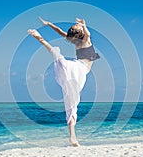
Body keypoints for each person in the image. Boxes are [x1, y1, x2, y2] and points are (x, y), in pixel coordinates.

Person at [28, 17, 100, 146]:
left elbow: (61, 32)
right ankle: (73, 137)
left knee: (71, 103)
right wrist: (84, 25)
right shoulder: (84, 39)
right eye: (76, 26)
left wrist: (49, 23)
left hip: (78, 71)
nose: (76, 25)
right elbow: (61, 32)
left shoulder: (81, 40)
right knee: (71, 103)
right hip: (79, 70)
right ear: (79, 32)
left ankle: (41, 39)